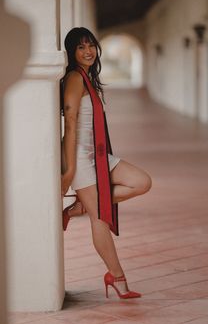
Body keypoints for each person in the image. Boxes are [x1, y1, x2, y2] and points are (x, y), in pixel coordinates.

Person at [60, 27, 152, 299]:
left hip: (99, 155)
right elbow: (71, 124)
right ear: (71, 52)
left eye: (91, 45)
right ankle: (117, 277)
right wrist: (70, 170)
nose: (88, 51)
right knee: (100, 220)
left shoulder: (89, 77)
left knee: (142, 182)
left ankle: (81, 206)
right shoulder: (75, 78)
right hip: (81, 160)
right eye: (80, 47)